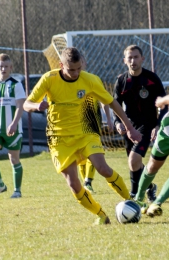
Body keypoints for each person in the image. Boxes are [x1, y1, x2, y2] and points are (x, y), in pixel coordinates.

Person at [23, 47, 142, 225]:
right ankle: (101, 215)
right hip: (59, 138)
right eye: (71, 69)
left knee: (103, 168)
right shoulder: (49, 79)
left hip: (85, 133)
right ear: (61, 65)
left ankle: (134, 202)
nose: (76, 73)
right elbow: (27, 104)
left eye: (79, 68)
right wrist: (36, 106)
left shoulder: (90, 80)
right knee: (73, 183)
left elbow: (112, 102)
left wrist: (129, 127)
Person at [113, 45, 168, 202]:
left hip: (147, 125)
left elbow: (164, 105)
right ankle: (150, 187)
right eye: (129, 58)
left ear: (142, 59)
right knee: (134, 165)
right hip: (129, 126)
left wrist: (158, 125)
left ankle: (135, 195)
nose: (133, 60)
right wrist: (118, 123)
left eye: (136, 57)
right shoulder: (121, 81)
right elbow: (115, 105)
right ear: (125, 61)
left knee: (133, 160)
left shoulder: (152, 79)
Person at [0, 53, 25, 199]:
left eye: (6, 66)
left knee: (14, 159)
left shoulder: (16, 85)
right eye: (1, 66)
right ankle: (0, 184)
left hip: (13, 130)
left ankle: (17, 190)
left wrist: (14, 123)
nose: (3, 69)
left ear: (11, 67)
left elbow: (20, 106)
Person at [78, 53, 114, 193]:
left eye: (81, 61)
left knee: (93, 151)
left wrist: (109, 119)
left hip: (93, 122)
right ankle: (86, 184)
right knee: (80, 155)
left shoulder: (93, 80)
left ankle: (88, 181)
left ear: (85, 63)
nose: (79, 65)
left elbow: (104, 99)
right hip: (75, 124)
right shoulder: (67, 81)